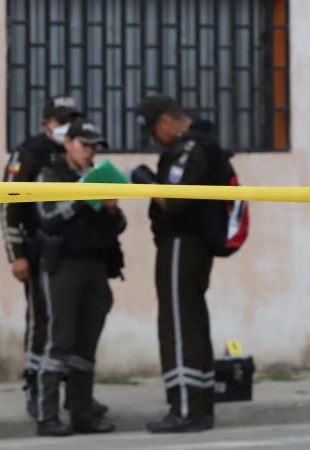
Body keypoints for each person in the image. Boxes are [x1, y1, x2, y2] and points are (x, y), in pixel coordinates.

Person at [2, 95, 107, 417]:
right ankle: (36, 389)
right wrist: (16, 254)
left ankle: (76, 396)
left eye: (70, 121)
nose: (65, 128)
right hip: (38, 247)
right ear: (46, 124)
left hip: (70, 251)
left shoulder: (76, 157)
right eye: (61, 121)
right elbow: (10, 205)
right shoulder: (30, 152)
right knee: (41, 323)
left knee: (70, 329)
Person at [133, 94, 224, 433]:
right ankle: (200, 407)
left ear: (167, 122)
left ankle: (185, 409)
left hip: (182, 245)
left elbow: (174, 199)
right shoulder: (204, 144)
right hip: (194, 247)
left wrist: (144, 182)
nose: (155, 141)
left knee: (177, 325)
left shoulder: (189, 149)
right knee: (193, 323)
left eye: (154, 132)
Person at [32, 120, 124, 437]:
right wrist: (81, 197)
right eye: (85, 145)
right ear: (68, 143)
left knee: (85, 348)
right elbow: (47, 218)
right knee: (60, 342)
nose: (90, 152)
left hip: (95, 266)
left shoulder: (100, 177)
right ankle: (47, 416)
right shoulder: (50, 174)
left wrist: (111, 209)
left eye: (94, 147)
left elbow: (117, 226)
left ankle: (82, 413)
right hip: (64, 266)